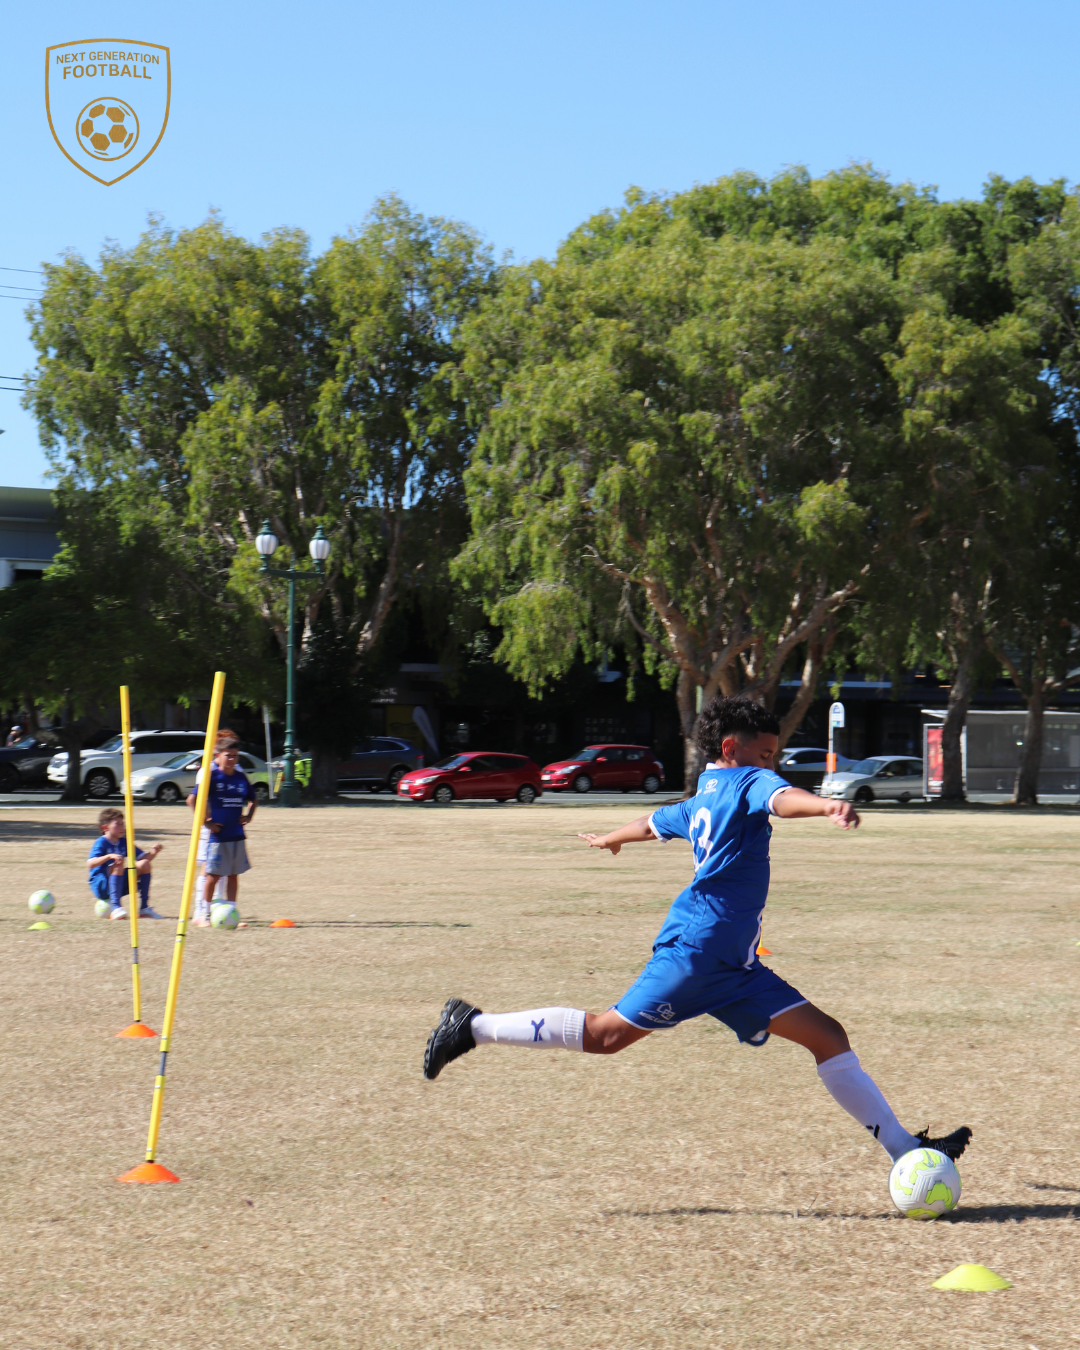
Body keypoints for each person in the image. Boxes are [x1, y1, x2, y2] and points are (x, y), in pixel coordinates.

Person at [423, 695, 971, 1167]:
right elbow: (780, 800)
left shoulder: (703, 797)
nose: (771, 765)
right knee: (605, 1036)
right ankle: (472, 1026)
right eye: (766, 753)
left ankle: (905, 1149)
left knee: (829, 1037)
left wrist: (610, 838)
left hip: (736, 967)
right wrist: (826, 804)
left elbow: (651, 822)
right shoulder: (751, 782)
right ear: (732, 748)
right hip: (697, 955)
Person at [189, 734, 256, 920]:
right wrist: (206, 822)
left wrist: (248, 816)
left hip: (237, 835)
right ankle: (205, 912)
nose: (232, 759)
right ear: (217, 755)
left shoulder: (240, 777)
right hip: (218, 836)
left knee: (233, 875)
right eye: (228, 755)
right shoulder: (212, 776)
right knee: (213, 874)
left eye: (235, 756)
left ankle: (232, 910)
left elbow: (253, 798)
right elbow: (192, 799)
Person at [187, 727, 239, 925]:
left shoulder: (237, 771)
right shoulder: (207, 771)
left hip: (230, 829)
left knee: (225, 869)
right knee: (208, 868)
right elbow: (196, 799)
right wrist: (206, 822)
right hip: (211, 828)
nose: (233, 755)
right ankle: (201, 912)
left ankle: (221, 907)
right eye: (228, 749)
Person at [87, 806, 164, 919]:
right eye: (117, 824)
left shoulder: (124, 842)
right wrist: (109, 856)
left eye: (122, 824)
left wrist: (153, 852)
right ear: (105, 827)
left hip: (119, 880)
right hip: (101, 885)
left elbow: (143, 858)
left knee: (144, 864)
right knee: (118, 862)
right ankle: (116, 908)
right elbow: (90, 863)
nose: (122, 827)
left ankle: (144, 908)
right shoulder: (101, 842)